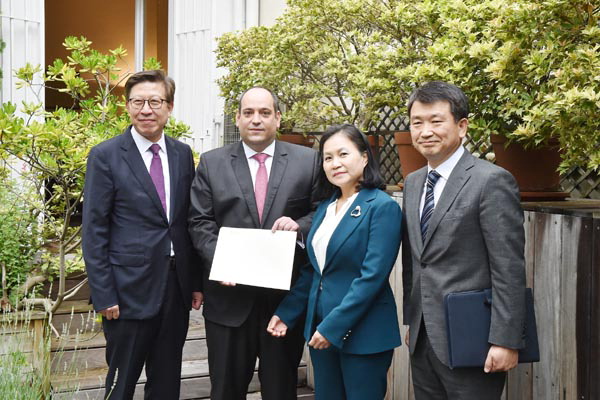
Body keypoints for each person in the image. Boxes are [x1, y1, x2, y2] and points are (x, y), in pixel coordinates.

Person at [188, 86, 319, 400]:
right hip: (228, 302)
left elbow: (322, 212)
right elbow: (199, 221)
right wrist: (223, 262)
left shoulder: (308, 161)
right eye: (248, 112)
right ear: (237, 118)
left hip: (283, 304)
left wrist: (300, 226)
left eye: (264, 112)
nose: (256, 119)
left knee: (281, 391)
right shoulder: (212, 163)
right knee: (225, 391)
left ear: (278, 118)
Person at [82, 70, 203, 399]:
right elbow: (94, 229)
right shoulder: (105, 155)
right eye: (138, 102)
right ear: (127, 106)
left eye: (155, 101)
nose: (146, 109)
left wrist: (195, 282)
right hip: (126, 294)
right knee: (120, 384)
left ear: (169, 107)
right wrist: (103, 293)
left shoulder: (181, 154)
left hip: (175, 290)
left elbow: (185, 222)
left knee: (166, 383)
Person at [401, 81, 526, 399]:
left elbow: (508, 267)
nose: (425, 131)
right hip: (423, 340)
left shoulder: (491, 181)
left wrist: (505, 340)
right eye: (417, 122)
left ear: (462, 126)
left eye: (436, 121)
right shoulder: (413, 183)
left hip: (475, 338)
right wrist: (413, 321)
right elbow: (415, 262)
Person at [267, 124, 403, 400]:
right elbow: (315, 270)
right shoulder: (326, 207)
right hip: (321, 331)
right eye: (328, 158)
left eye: (343, 154)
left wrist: (332, 327)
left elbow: (371, 278)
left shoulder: (382, 207)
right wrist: (287, 313)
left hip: (363, 333)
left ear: (364, 157)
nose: (335, 163)